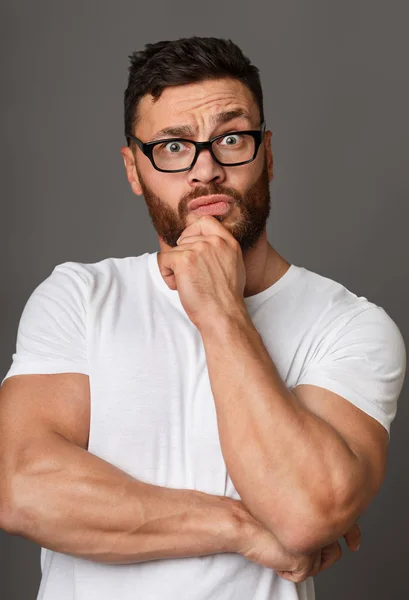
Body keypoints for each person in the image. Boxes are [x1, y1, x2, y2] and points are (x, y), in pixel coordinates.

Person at [0, 36, 406, 600]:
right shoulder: (78, 296)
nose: (206, 170)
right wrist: (240, 528)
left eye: (231, 139)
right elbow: (20, 488)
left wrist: (220, 310)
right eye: (172, 146)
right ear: (134, 169)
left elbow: (308, 513)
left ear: (267, 152)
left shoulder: (351, 326)